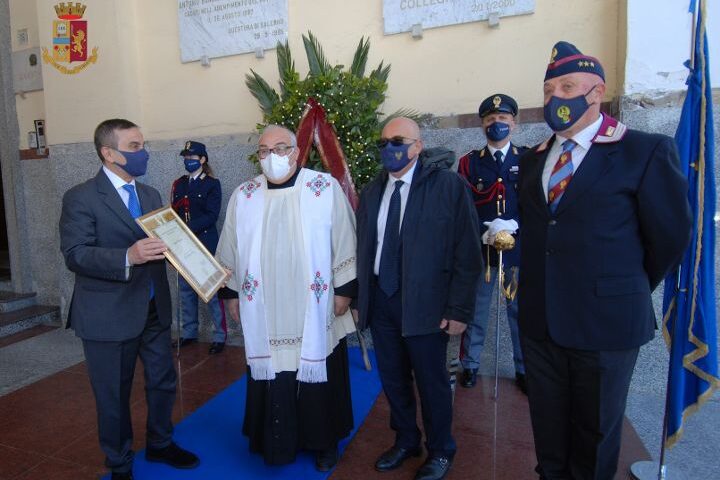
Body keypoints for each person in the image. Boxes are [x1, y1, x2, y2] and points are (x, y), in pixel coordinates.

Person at [517, 41, 692, 480]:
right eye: (549, 88)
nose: (556, 97)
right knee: (548, 429)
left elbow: (670, 238)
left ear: (596, 92)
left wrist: (623, 286)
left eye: (568, 85)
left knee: (594, 435)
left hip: (606, 324)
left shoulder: (643, 151)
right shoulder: (534, 161)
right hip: (541, 323)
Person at [59, 119, 199, 480]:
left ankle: (160, 442)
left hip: (153, 307)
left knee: (163, 381)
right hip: (108, 314)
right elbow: (75, 254)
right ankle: (119, 462)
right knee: (113, 395)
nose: (144, 152)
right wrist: (127, 256)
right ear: (109, 153)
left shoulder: (150, 195)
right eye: (135, 147)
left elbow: (169, 243)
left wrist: (205, 267)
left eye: (142, 144)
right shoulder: (81, 197)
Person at [215, 125, 357, 471]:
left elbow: (344, 238)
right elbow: (229, 246)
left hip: (316, 303)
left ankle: (323, 442)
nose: (272, 156)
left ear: (297, 152)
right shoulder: (244, 194)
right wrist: (231, 295)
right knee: (272, 374)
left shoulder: (324, 188)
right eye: (264, 151)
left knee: (319, 369)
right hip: (264, 307)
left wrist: (344, 291)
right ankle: (274, 441)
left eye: (280, 148)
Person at [356, 117, 481, 480]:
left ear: (418, 146)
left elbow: (467, 252)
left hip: (427, 304)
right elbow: (367, 248)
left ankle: (441, 449)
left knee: (432, 382)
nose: (389, 148)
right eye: (383, 142)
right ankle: (406, 439)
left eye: (398, 140)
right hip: (382, 300)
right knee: (393, 379)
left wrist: (458, 308)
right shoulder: (372, 191)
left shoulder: (448, 186)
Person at [457, 93, 527, 393]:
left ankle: (524, 369)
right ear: (482, 125)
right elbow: (463, 207)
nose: (496, 124)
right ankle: (470, 365)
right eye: (490, 120)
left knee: (520, 313)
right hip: (483, 250)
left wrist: (515, 225)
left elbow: (534, 204)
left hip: (516, 252)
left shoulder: (527, 159)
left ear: (514, 123)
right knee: (476, 310)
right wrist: (482, 231)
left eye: (502, 119)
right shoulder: (470, 163)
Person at [171, 140, 227, 354]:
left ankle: (220, 336)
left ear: (203, 160)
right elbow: (174, 212)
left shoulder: (212, 184)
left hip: (205, 243)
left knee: (212, 292)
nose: (188, 162)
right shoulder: (179, 184)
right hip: (184, 245)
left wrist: (187, 228)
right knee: (186, 291)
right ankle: (189, 333)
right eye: (186, 159)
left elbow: (212, 215)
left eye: (192, 158)